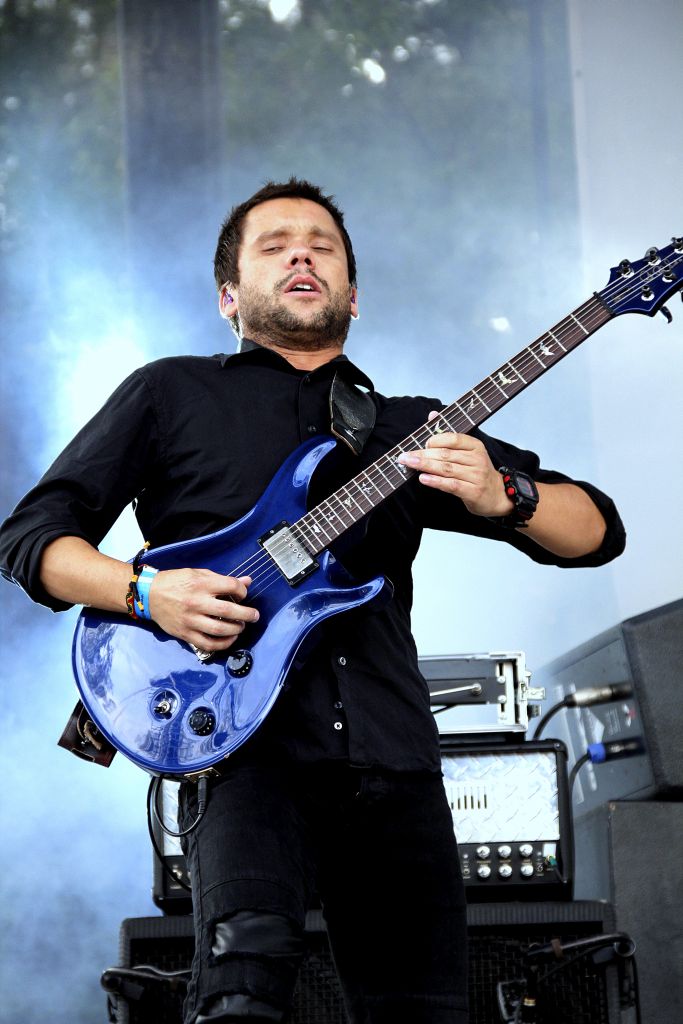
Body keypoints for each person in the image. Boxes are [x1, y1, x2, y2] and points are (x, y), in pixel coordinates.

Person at [0, 178, 625, 1024]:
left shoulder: (411, 430)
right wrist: (147, 592)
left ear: (352, 296)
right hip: (242, 749)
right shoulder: (169, 392)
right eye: (275, 245)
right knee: (241, 991)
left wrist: (503, 492)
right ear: (229, 297)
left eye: (321, 246)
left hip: (392, 759)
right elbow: (31, 539)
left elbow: (595, 531)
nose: (302, 254)